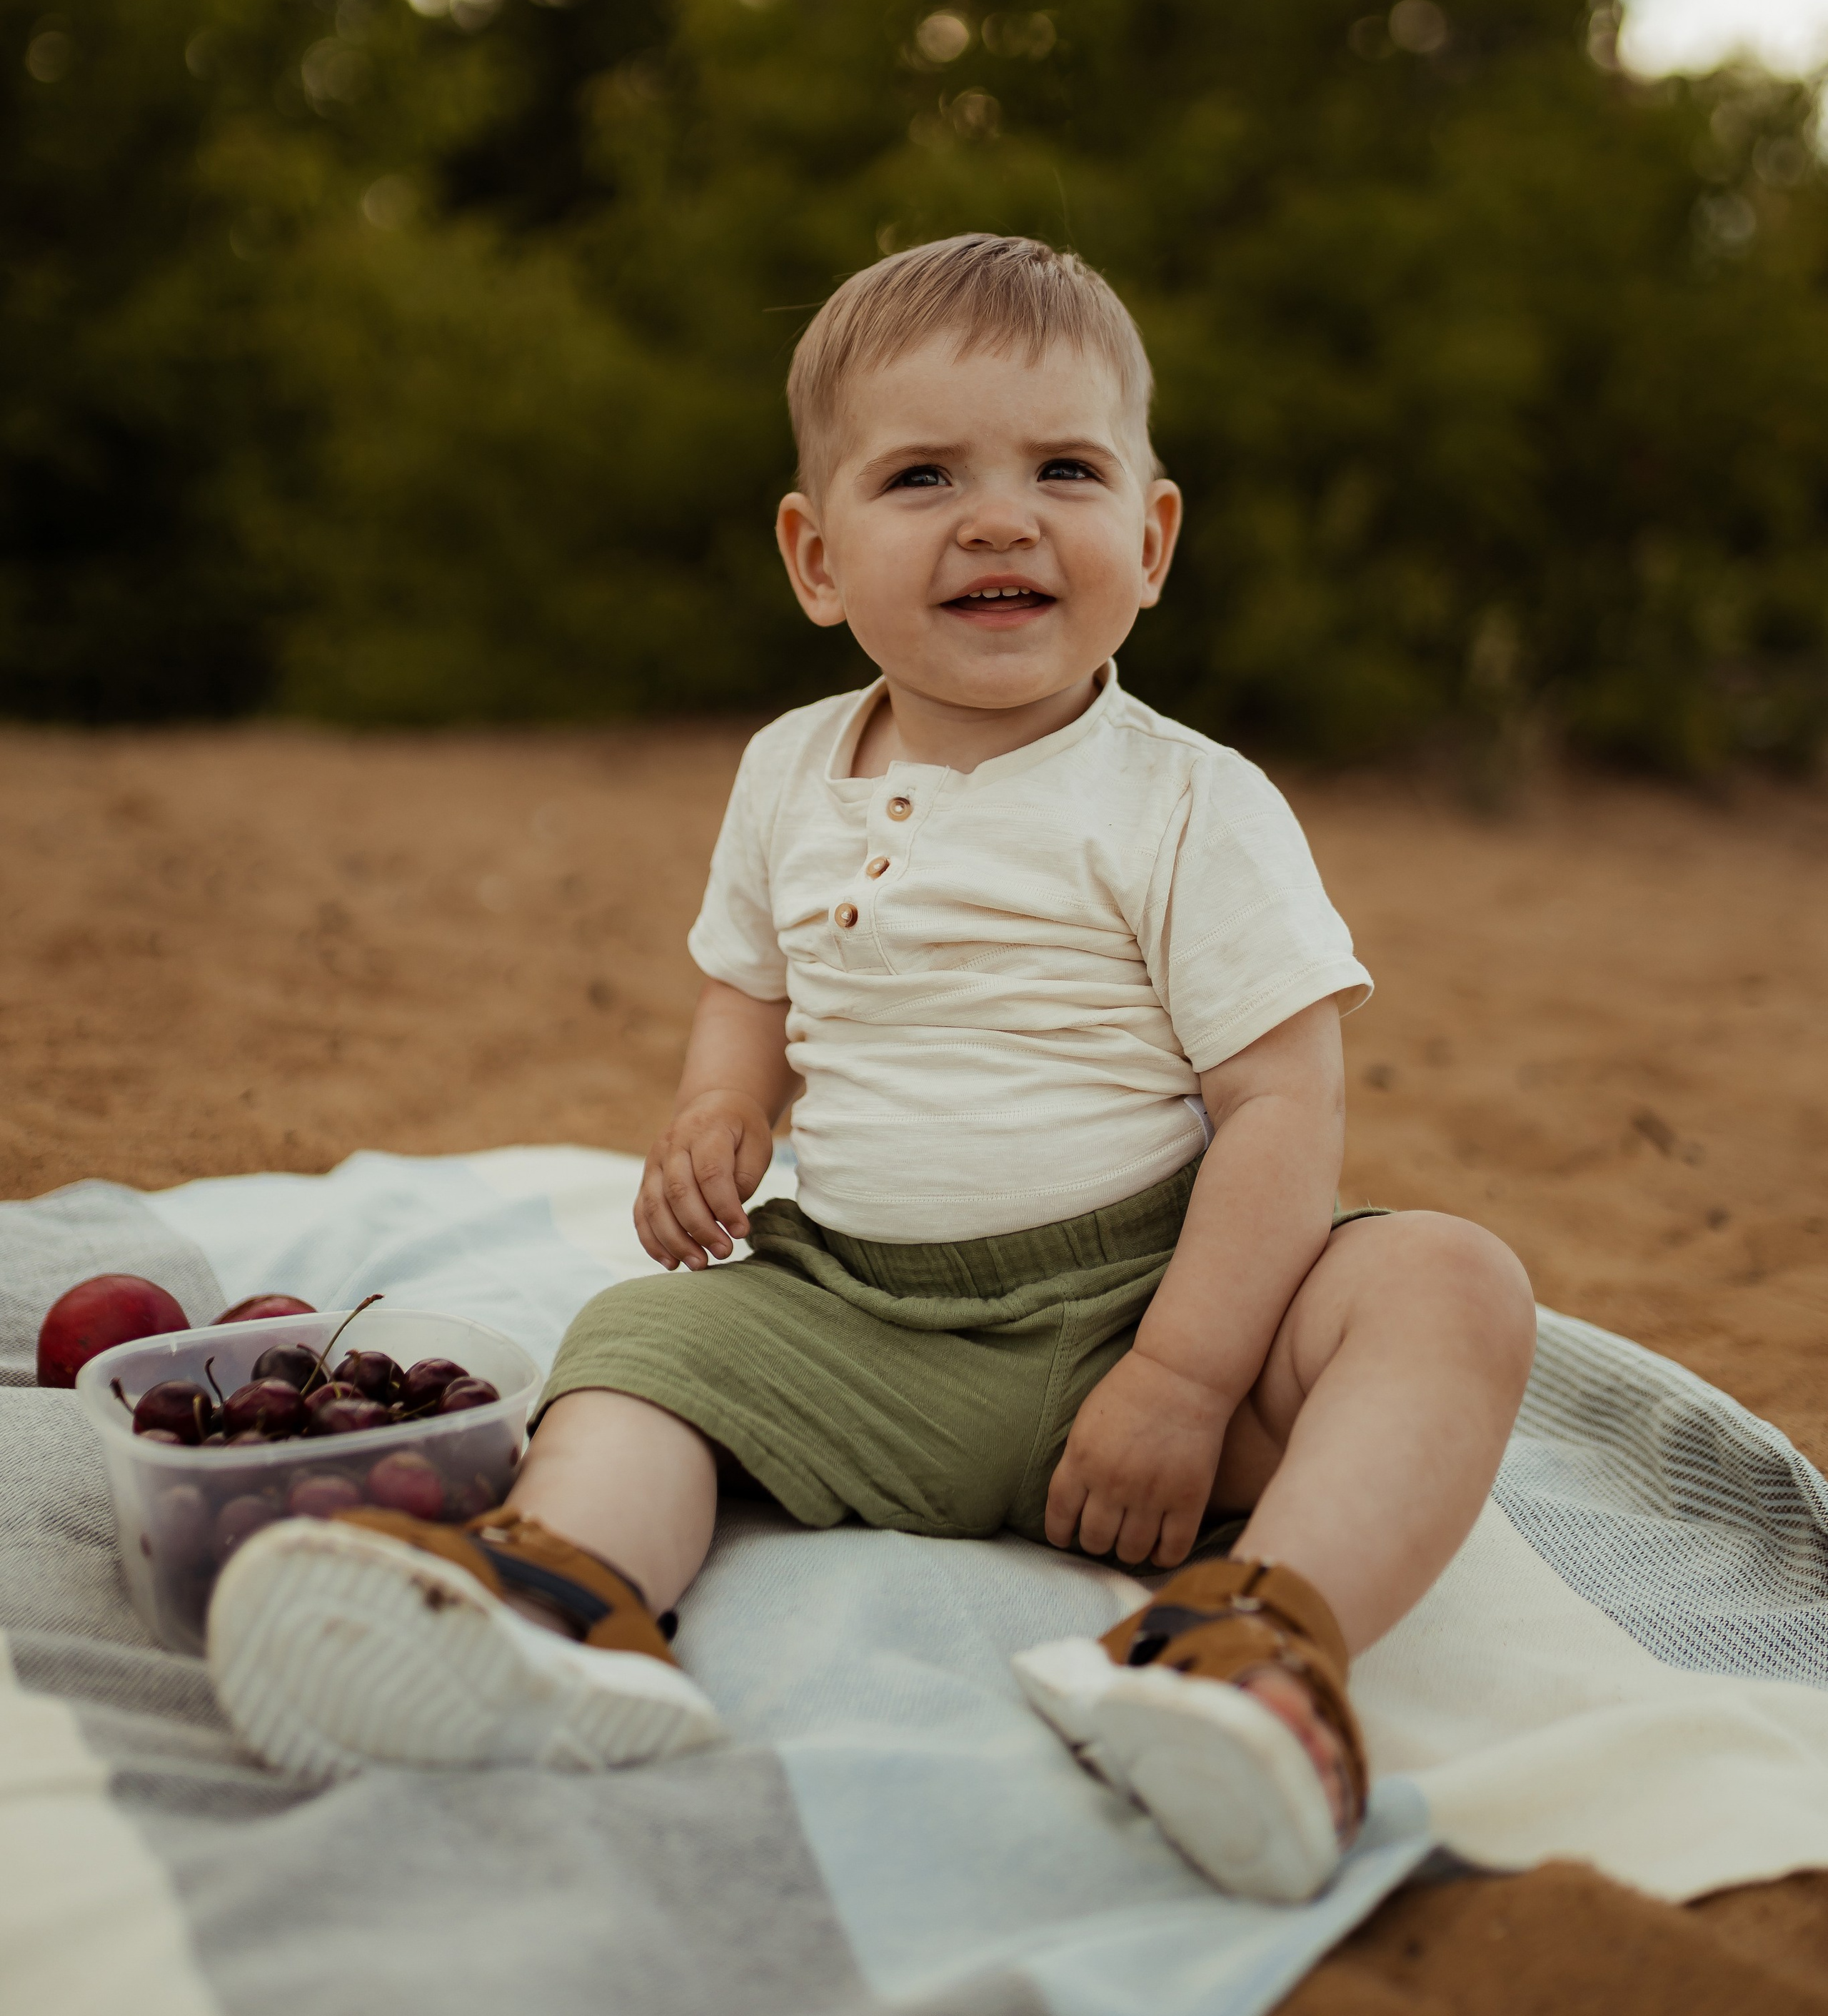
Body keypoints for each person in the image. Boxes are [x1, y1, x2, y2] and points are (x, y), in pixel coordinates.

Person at [209, 234, 1535, 1901]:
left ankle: (1254, 1642)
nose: (998, 518)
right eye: (922, 476)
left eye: (1062, 468)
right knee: (637, 1344)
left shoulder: (1187, 802)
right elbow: (743, 995)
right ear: (815, 555)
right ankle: (556, 1604)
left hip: (1148, 1303)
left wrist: (1186, 1383)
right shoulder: (786, 774)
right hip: (852, 1317)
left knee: (1446, 1282)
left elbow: (1280, 1104)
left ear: (1151, 534)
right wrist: (716, 1119)